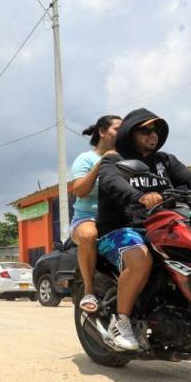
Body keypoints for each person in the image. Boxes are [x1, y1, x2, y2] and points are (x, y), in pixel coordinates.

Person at [93, 108, 191, 350]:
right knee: (140, 260)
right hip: (121, 230)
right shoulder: (114, 159)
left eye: (157, 131)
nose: (153, 135)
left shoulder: (165, 162)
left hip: (161, 228)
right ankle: (121, 322)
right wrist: (139, 197)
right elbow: (112, 182)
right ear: (130, 132)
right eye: (146, 130)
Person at [69, 114, 123, 314]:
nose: (123, 132)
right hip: (87, 219)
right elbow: (80, 190)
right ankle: (89, 291)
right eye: (118, 128)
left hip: (119, 220)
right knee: (88, 235)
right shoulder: (86, 159)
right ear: (102, 132)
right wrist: (101, 164)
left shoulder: (125, 159)